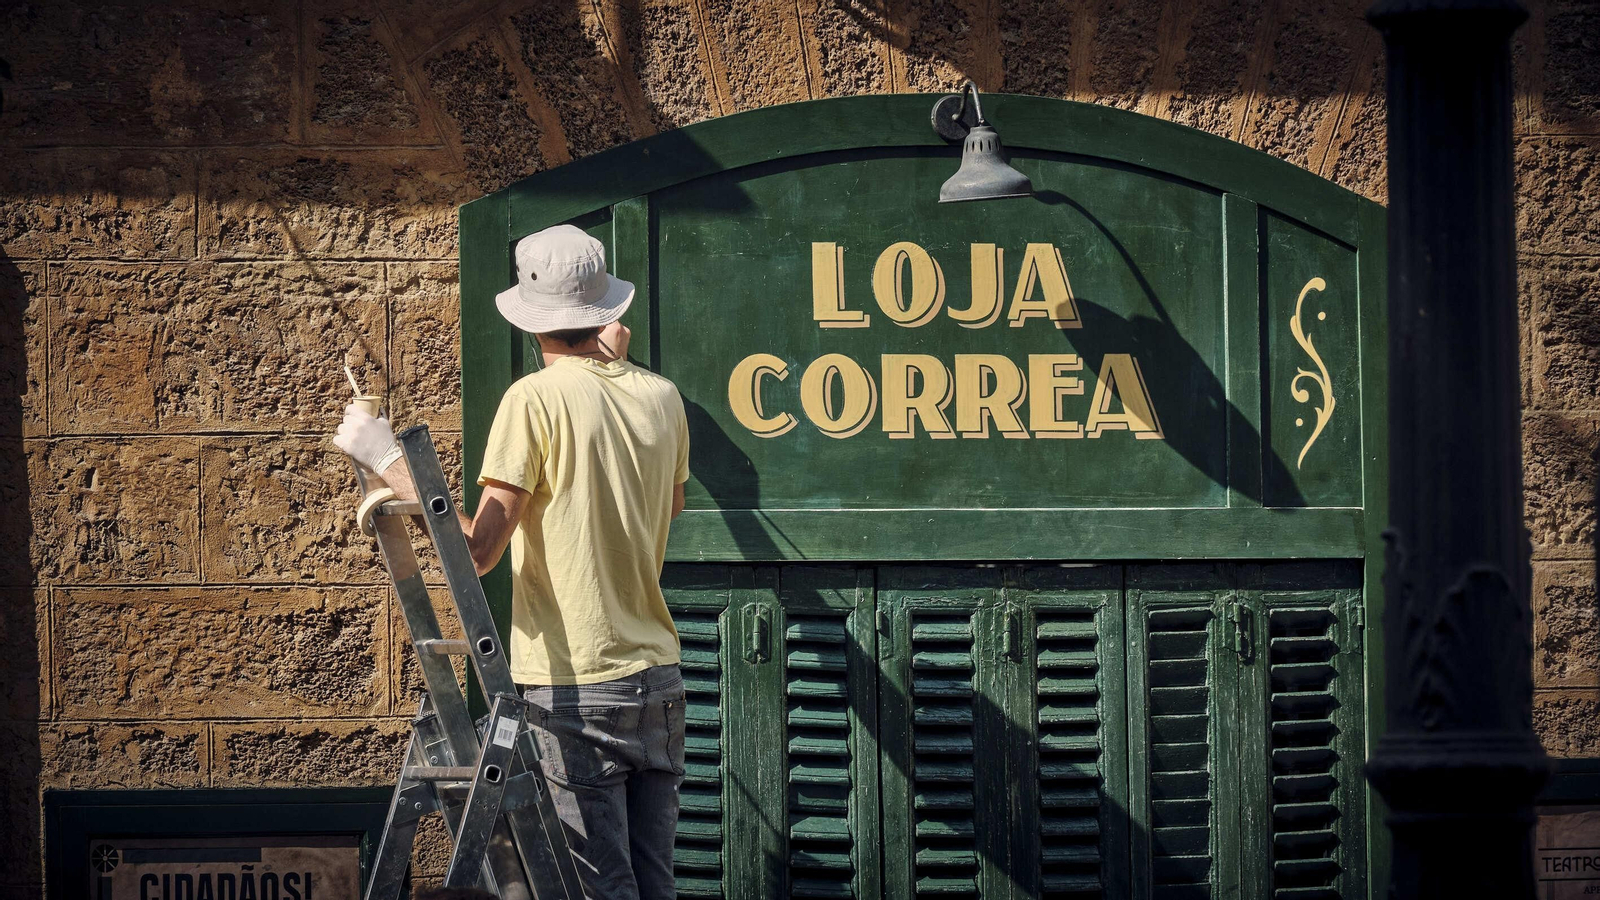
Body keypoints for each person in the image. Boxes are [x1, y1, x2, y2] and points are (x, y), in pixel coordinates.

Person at [334, 224, 691, 900]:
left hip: (576, 687)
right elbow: (666, 506)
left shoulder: (533, 399)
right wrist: (613, 373)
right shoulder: (661, 395)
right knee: (654, 885)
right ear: (606, 311)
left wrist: (385, 458)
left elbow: (478, 550)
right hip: (659, 683)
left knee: (600, 889)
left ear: (533, 318)